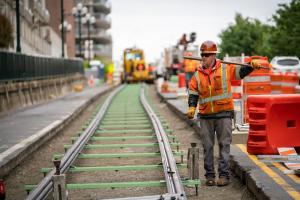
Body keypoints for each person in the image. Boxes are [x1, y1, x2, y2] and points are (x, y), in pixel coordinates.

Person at [186, 41, 261, 186]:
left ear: (214, 55)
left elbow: (241, 73)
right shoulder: (197, 75)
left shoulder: (226, 68)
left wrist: (251, 65)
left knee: (224, 145)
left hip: (224, 113)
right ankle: (209, 175)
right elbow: (193, 94)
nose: (204, 57)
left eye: (207, 55)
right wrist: (191, 108)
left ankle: (224, 176)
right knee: (207, 146)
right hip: (206, 115)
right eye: (202, 55)